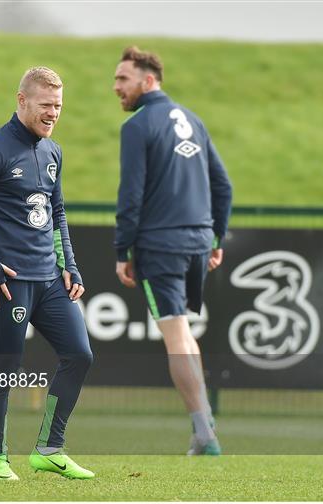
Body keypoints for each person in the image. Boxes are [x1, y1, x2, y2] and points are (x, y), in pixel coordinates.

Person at [0, 67, 94, 480]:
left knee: (80, 354)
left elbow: (57, 212)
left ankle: (50, 448)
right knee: (5, 366)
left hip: (49, 280)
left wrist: (70, 265)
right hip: (8, 284)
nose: (53, 113)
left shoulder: (53, 152)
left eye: (59, 106)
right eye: (46, 105)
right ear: (22, 100)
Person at [113, 46, 232, 455]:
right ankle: (204, 424)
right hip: (198, 242)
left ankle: (204, 433)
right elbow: (224, 186)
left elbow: (131, 194)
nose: (116, 87)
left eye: (123, 79)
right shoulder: (194, 120)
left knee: (174, 332)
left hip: (161, 245)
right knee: (182, 330)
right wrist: (216, 239)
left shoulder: (139, 126)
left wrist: (121, 249)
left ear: (148, 81)